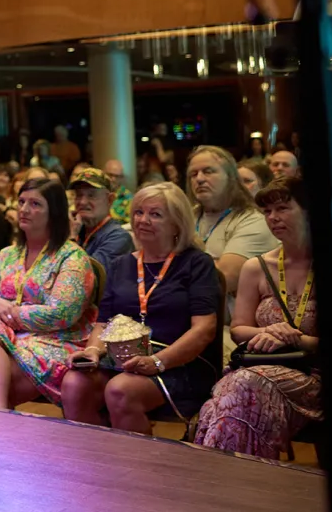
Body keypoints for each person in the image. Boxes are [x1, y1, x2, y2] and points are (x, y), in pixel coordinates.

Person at [195, 177, 332, 457]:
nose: (273, 218)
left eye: (283, 208)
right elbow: (239, 329)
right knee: (234, 392)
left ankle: (225, 478)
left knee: (241, 388)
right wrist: (268, 332)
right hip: (263, 368)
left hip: (316, 375)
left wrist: (299, 340)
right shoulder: (257, 267)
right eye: (267, 212)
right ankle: (236, 481)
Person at [63, 183, 221, 434]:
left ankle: (138, 470)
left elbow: (204, 330)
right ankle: (95, 465)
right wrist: (93, 351)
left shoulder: (196, 263)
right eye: (139, 212)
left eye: (155, 214)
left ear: (177, 223)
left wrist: (158, 361)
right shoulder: (120, 265)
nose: (143, 220)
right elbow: (105, 323)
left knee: (120, 390)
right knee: (74, 383)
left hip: (178, 362)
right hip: (123, 359)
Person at [0, 178, 96, 409]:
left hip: (55, 341)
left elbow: (62, 314)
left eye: (35, 204)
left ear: (54, 212)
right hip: (5, 339)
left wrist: (8, 312)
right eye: (21, 202)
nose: (24, 209)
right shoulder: (7, 255)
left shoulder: (72, 257)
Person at [187, 145, 275, 300]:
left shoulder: (253, 221)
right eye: (193, 174)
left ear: (231, 177)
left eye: (208, 171)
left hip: (229, 322)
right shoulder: (187, 216)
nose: (199, 179)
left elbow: (223, 279)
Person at [69, 168, 134, 269]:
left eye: (91, 195)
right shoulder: (78, 229)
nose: (82, 202)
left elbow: (84, 276)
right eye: (79, 195)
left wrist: (71, 238)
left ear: (110, 200)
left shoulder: (119, 237)